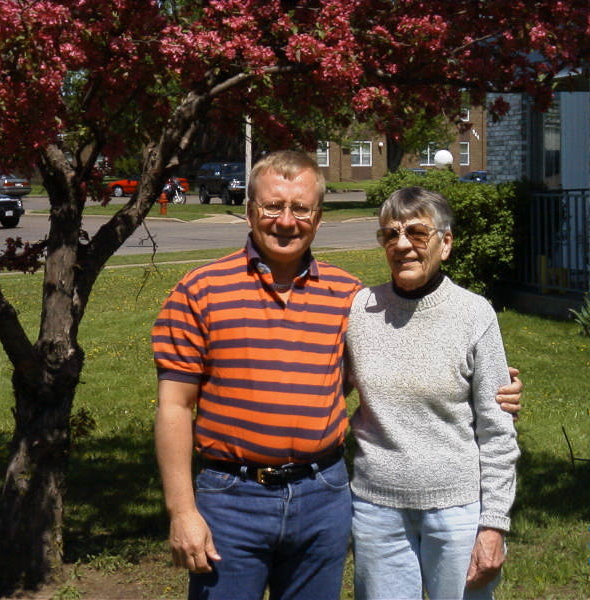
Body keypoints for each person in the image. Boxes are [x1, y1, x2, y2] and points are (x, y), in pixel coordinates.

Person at [152, 151, 522, 600]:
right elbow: (174, 405)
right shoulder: (201, 290)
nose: (286, 220)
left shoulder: (347, 298)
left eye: (301, 208)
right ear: (249, 211)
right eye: (272, 206)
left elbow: (381, 365)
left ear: (318, 219)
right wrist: (181, 510)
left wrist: (494, 388)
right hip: (233, 498)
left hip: (320, 495)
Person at [344, 186, 520, 600]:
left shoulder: (474, 313)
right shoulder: (359, 310)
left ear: (446, 243)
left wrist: (493, 524)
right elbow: (320, 387)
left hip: (458, 512)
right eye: (390, 234)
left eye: (417, 233)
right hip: (376, 511)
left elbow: (497, 431)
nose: (402, 245)